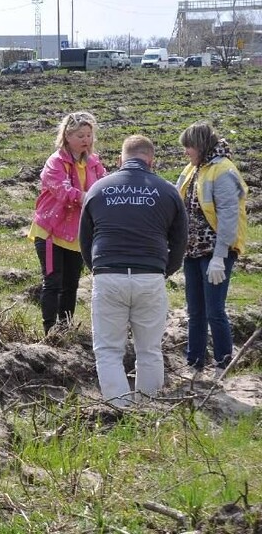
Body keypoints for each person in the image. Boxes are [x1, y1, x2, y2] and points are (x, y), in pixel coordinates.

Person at [79, 135, 187, 407]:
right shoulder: (167, 190)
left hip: (109, 275)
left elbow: (85, 239)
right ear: (151, 161)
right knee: (150, 350)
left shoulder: (99, 189)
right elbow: (180, 241)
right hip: (150, 275)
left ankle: (118, 409)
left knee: (108, 350)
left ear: (120, 160)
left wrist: (99, 269)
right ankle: (148, 409)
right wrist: (163, 270)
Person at [175, 122, 249, 371]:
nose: (186, 152)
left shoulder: (223, 171)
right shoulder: (193, 168)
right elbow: (178, 201)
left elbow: (229, 217)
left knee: (214, 310)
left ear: (201, 145)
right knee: (195, 310)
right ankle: (194, 362)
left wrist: (220, 257)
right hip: (192, 250)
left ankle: (223, 363)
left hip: (216, 251)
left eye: (188, 147)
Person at [28, 111, 108, 334]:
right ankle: (49, 331)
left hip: (77, 232)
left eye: (89, 135)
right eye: (81, 135)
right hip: (51, 231)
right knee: (53, 281)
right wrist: (90, 198)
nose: (86, 140)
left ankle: (65, 329)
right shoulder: (55, 162)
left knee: (71, 284)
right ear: (67, 136)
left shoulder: (94, 162)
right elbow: (63, 191)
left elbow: (105, 184)